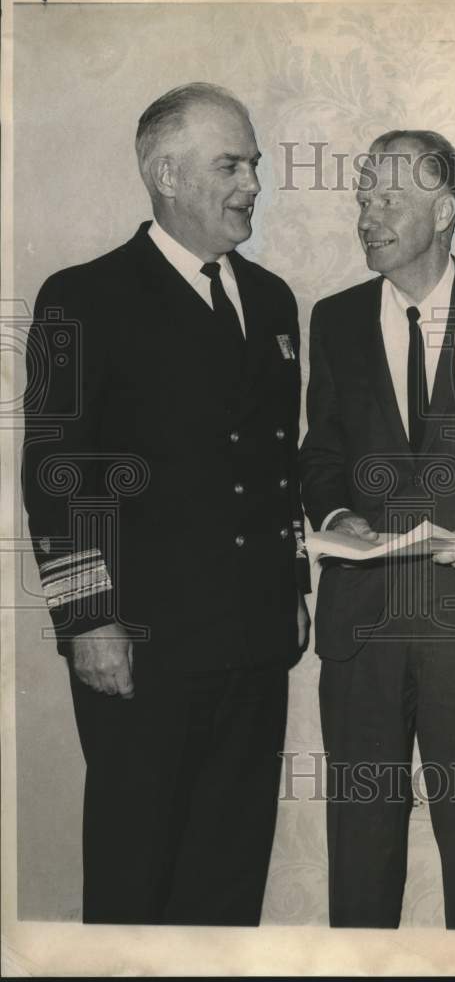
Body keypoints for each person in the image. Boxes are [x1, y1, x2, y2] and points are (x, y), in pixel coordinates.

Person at [21, 83, 310, 925]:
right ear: (166, 174)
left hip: (255, 641)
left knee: (228, 880)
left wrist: (293, 587)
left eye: (253, 163)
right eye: (231, 164)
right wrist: (88, 621)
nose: (253, 182)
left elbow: (275, 464)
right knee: (136, 871)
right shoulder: (84, 296)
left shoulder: (274, 299)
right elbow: (56, 471)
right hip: (140, 647)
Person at [300, 129, 455, 929]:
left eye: (391, 198)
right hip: (361, 632)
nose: (369, 214)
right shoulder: (335, 318)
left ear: (445, 210)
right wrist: (337, 515)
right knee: (360, 867)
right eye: (364, 197)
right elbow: (323, 453)